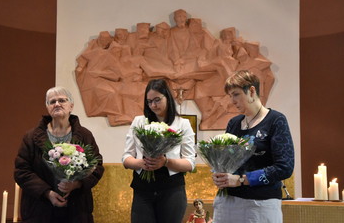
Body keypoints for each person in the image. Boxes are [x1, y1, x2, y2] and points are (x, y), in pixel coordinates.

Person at [212, 70, 294, 223]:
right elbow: (226, 161)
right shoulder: (234, 123)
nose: (232, 101)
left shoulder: (276, 120)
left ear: (251, 91)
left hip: (261, 204)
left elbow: (285, 168)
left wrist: (241, 180)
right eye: (230, 96)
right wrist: (219, 173)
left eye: (236, 94)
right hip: (228, 202)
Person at [14, 87, 104, 223]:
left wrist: (77, 183)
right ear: (47, 107)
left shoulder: (85, 135)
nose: (57, 104)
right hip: (39, 209)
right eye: (52, 102)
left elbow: (96, 166)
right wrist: (47, 193)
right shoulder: (31, 137)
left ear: (71, 106)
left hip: (76, 210)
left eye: (62, 100)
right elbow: (21, 171)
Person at [122, 78, 196, 223]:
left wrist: (166, 162)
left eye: (157, 100)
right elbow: (126, 158)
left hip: (172, 189)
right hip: (142, 189)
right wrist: (141, 163)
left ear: (167, 97)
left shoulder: (182, 124)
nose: (153, 105)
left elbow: (190, 163)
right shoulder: (139, 122)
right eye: (149, 102)